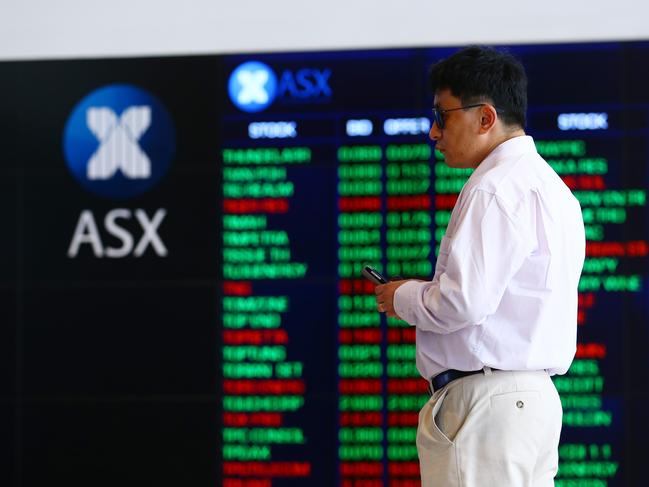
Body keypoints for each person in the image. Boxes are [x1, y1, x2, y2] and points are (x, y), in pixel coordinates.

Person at [374, 46, 585, 486]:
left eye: (442, 115)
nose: (433, 132)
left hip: (486, 402)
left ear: (485, 118)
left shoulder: (493, 188)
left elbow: (463, 303)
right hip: (531, 403)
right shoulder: (554, 189)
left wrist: (403, 296)